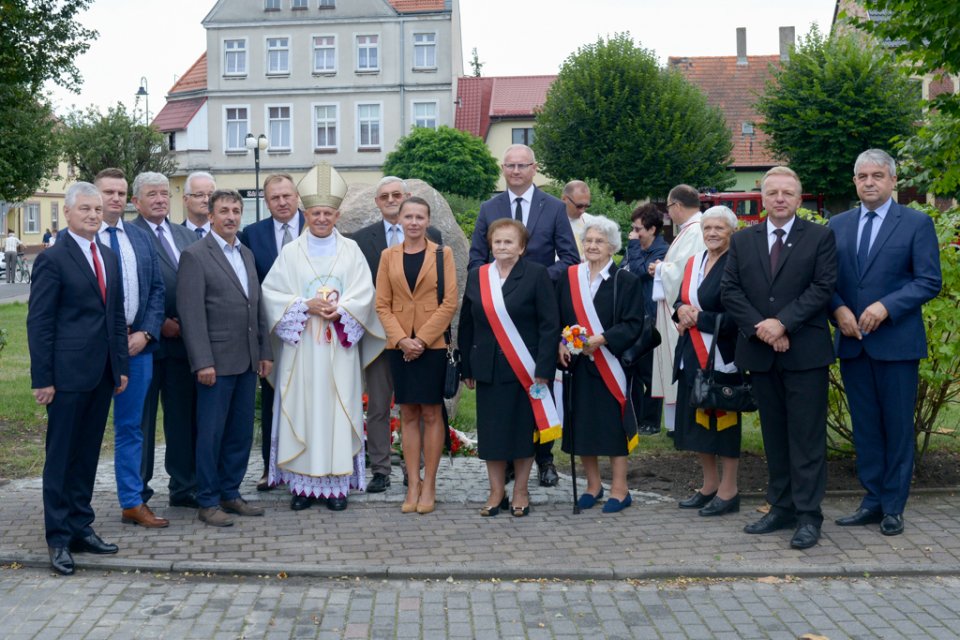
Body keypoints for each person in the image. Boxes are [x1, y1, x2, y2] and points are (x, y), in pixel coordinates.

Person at [721, 166, 837, 550]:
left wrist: (783, 323)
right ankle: (781, 506)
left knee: (805, 438)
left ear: (799, 198)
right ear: (762, 197)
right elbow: (730, 290)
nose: (780, 199)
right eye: (773, 193)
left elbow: (822, 288)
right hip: (761, 354)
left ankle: (809, 515)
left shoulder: (820, 237)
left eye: (788, 192)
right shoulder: (743, 240)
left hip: (805, 354)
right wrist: (762, 328)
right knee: (774, 436)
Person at [829, 149, 942, 536]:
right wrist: (839, 309)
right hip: (853, 342)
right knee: (866, 428)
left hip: (896, 344)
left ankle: (894, 505)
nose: (869, 183)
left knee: (896, 427)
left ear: (893, 180)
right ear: (855, 182)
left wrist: (886, 306)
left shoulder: (916, 223)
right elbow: (825, 281)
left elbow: (929, 281)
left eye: (877, 176)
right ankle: (872, 500)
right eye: (862, 177)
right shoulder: (837, 225)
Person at [261, 162, 386, 512]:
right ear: (306, 213)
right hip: (302, 349)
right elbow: (271, 294)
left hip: (338, 349)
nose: (321, 219)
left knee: (337, 409)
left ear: (337, 214)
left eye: (327, 213)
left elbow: (365, 294)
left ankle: (337, 486)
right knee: (302, 410)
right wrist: (304, 305)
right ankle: (302, 487)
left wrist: (342, 309)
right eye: (315, 212)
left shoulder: (351, 251)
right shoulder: (290, 253)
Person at [27, 182, 129, 575]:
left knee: (87, 456)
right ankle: (58, 538)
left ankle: (80, 526)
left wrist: (119, 366)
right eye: (85, 209)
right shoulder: (53, 259)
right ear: (67, 213)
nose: (92, 215)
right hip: (66, 377)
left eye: (97, 209)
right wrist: (43, 378)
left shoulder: (107, 254)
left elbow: (115, 317)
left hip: (102, 373)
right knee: (61, 457)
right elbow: (39, 323)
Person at [468, 144, 578, 487]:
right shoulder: (490, 207)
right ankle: (510, 462)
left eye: (522, 166)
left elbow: (570, 258)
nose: (515, 171)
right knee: (506, 397)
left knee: (537, 386)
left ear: (534, 168)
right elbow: (476, 258)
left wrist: (537, 280)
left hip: (535, 309)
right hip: (498, 311)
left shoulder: (555, 207)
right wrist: (493, 286)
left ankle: (545, 459)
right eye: (510, 166)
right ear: (503, 168)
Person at [177, 189, 273, 527]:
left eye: (236, 210)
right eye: (224, 211)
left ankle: (231, 492)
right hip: (215, 364)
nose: (231, 216)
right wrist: (203, 361)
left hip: (246, 361)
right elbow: (191, 315)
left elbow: (256, 304)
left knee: (240, 432)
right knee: (211, 433)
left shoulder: (245, 253)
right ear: (212, 215)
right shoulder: (195, 255)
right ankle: (207, 500)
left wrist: (264, 352)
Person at [459, 219, 561, 517]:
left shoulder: (536, 274)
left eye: (509, 242)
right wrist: (466, 366)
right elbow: (467, 323)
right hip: (488, 368)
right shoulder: (478, 276)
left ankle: (520, 491)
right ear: (490, 245)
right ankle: (495, 491)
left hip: (525, 370)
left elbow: (549, 324)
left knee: (520, 433)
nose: (502, 247)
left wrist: (543, 367)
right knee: (492, 434)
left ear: (522, 247)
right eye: (497, 242)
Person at [350, 176, 441, 494]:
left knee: (416, 406)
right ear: (377, 202)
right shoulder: (361, 240)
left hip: (422, 341)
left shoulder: (434, 238)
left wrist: (424, 338)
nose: (390, 199)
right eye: (384, 196)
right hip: (380, 336)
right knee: (378, 404)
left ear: (407, 198)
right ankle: (380, 468)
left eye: (396, 195)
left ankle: (413, 470)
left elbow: (441, 293)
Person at [94, 168, 168, 528]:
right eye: (108, 192)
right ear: (95, 196)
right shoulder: (81, 240)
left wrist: (148, 333)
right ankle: (73, 508)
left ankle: (132, 502)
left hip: (137, 349)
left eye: (121, 193)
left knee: (131, 427)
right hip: (92, 351)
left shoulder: (140, 238)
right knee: (84, 429)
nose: (115, 199)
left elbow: (156, 290)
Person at [557, 216, 645, 513]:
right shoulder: (570, 277)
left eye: (600, 242)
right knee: (582, 427)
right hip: (579, 366)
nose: (593, 246)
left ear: (613, 248)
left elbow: (633, 324)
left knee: (612, 428)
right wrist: (561, 342)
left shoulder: (626, 280)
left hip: (611, 365)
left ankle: (620, 489)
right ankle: (592, 486)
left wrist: (603, 339)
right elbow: (558, 317)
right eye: (589, 240)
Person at [374, 196, 457, 514]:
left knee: (432, 414)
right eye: (407, 216)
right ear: (399, 220)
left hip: (431, 346)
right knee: (407, 414)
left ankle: (430, 484)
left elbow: (449, 302)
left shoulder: (442, 254)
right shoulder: (387, 255)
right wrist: (401, 339)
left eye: (419, 217)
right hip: (399, 347)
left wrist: (420, 339)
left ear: (427, 220)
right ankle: (412, 483)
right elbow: (382, 303)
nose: (413, 222)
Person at [129, 172, 200, 509]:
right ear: (136, 202)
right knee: (141, 423)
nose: (159, 199)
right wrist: (158, 325)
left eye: (163, 193)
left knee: (182, 419)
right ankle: (137, 493)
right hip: (146, 344)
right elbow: (132, 288)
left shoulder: (186, 235)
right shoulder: (130, 235)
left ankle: (183, 487)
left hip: (183, 345)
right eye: (151, 194)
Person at [672, 206, 742, 517]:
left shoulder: (738, 266)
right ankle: (708, 485)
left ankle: (730, 490)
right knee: (698, 424)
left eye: (719, 228)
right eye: (707, 228)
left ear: (732, 232)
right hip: (691, 355)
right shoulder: (693, 262)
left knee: (723, 423)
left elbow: (740, 316)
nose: (712, 233)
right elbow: (680, 300)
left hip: (723, 357)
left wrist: (700, 318)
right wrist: (680, 312)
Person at [237, 173, 305, 492]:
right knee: (273, 398)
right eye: (275, 197)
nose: (282, 202)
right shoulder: (252, 234)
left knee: (312, 399)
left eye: (287, 196)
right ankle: (270, 468)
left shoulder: (316, 225)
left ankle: (311, 466)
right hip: (272, 332)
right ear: (266, 202)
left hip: (315, 332)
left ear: (297, 197)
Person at [650, 185, 707, 436]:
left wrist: (661, 269)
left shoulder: (696, 231)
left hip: (686, 310)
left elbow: (687, 269)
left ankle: (681, 424)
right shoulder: (692, 229)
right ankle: (677, 423)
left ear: (677, 206)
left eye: (669, 208)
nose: (668, 214)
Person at [625, 203, 669, 434]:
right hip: (633, 318)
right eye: (633, 228)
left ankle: (651, 422)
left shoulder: (662, 251)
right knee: (632, 370)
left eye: (638, 229)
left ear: (652, 229)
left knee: (651, 374)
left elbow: (639, 272)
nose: (634, 233)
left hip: (651, 320)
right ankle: (636, 417)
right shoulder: (637, 249)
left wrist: (632, 246)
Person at [561, 180, 595, 259]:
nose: (583, 211)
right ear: (564, 199)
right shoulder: (549, 220)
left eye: (587, 206)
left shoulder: (592, 222)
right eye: (579, 206)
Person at [181, 171, 215, 239]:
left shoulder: (227, 235)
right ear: (185, 200)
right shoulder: (174, 236)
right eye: (199, 195)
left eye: (210, 195)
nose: (206, 200)